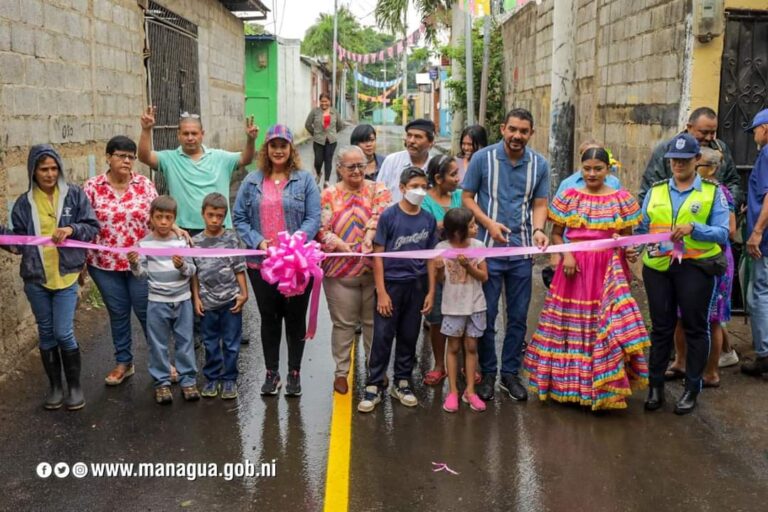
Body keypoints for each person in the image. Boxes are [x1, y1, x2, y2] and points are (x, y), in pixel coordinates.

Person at [524, 147, 650, 410]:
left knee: (605, 325)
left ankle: (602, 389)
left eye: (598, 169)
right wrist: (567, 253)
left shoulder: (621, 199)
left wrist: (626, 248)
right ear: (581, 170)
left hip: (608, 271)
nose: (592, 174)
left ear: (608, 169)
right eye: (587, 169)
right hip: (574, 269)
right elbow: (557, 234)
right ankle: (568, 386)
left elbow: (626, 238)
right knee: (568, 325)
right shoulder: (570, 197)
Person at [630, 133, 730, 415]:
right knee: (660, 327)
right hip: (659, 268)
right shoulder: (656, 190)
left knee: (695, 327)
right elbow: (642, 230)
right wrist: (630, 248)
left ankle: (692, 387)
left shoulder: (712, 192)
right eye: (674, 159)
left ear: (697, 160)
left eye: (685, 160)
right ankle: (656, 386)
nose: (678, 164)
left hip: (695, 268)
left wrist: (694, 229)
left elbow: (724, 233)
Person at [462, 108, 550, 402]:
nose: (517, 136)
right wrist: (487, 223)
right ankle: (488, 372)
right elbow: (466, 197)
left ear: (531, 133)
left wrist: (539, 230)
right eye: (512, 129)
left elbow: (540, 203)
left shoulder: (539, 164)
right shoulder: (482, 158)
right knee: (485, 314)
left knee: (518, 316)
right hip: (486, 251)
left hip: (522, 253)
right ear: (502, 128)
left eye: (523, 131)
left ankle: (510, 373)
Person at [7, 145, 99, 411]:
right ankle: (55, 388)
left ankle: (74, 387)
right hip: (36, 278)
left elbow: (92, 227)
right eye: (43, 169)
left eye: (53, 168)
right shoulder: (25, 203)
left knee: (63, 332)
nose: (49, 174)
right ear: (33, 171)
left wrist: (71, 229)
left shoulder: (74, 195)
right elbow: (19, 243)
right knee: (46, 334)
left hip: (66, 276)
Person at [233, 124, 321, 397]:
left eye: (283, 145)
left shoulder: (304, 180)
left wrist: (293, 244)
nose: (278, 150)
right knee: (269, 318)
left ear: (291, 149)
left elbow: (313, 217)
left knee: (295, 319)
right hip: (261, 264)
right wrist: (259, 242)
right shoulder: (252, 181)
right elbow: (239, 218)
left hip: (296, 263)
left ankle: (294, 372)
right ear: (267, 149)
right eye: (274, 145)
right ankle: (272, 373)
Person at [358, 167, 438, 413]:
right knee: (382, 336)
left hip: (416, 285)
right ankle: (374, 384)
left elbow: (431, 258)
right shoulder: (389, 217)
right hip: (391, 285)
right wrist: (381, 291)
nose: (419, 191)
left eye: (424, 187)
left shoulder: (428, 219)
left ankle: (402, 382)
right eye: (414, 186)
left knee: (409, 334)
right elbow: (378, 257)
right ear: (402, 188)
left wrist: (431, 291)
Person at [84, 135, 158, 386]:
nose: (127, 161)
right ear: (108, 157)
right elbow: (85, 224)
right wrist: (80, 261)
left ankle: (161, 362)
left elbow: (159, 217)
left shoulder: (144, 185)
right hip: (104, 264)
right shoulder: (92, 187)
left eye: (131, 157)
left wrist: (176, 230)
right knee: (117, 313)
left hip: (141, 263)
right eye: (121, 156)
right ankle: (123, 362)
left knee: (147, 311)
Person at [318, 146, 391, 394]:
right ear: (339, 168)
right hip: (340, 273)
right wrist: (338, 244)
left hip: (373, 272)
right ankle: (341, 372)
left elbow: (381, 216)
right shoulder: (328, 195)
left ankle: (375, 370)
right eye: (351, 167)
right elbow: (321, 229)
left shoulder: (377, 189)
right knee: (343, 325)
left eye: (361, 165)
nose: (357, 171)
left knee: (373, 324)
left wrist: (369, 237)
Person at [663, 148, 736, 388]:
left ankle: (711, 371)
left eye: (698, 164)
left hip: (709, 262)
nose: (687, 168)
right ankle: (680, 362)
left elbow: (729, 232)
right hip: (682, 261)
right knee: (680, 315)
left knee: (709, 319)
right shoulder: (675, 189)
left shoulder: (719, 193)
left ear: (711, 168)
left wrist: (695, 229)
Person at [138, 107, 258, 234]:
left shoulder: (221, 157)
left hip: (219, 229)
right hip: (183, 230)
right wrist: (146, 130)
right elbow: (144, 157)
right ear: (178, 135)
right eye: (185, 133)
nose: (190, 138)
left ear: (202, 134)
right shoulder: (169, 158)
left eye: (194, 133)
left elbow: (246, 159)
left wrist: (250, 140)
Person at [128, 196, 199, 405]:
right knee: (158, 344)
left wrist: (181, 267)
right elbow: (141, 274)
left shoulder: (182, 241)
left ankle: (188, 381)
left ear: (174, 219)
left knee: (185, 341)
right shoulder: (144, 243)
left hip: (183, 300)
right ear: (151, 218)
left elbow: (193, 270)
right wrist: (133, 264)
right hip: (157, 302)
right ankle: (162, 383)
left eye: (168, 218)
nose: (163, 222)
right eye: (159, 217)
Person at [191, 193, 248, 400]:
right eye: (211, 215)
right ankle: (212, 378)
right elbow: (194, 273)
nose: (215, 220)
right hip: (207, 303)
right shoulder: (195, 242)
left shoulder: (231, 238)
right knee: (210, 342)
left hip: (231, 301)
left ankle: (230, 379)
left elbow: (239, 268)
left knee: (231, 343)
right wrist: (196, 298)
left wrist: (244, 294)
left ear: (225, 217)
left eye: (220, 216)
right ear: (203, 214)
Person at [433, 207, 488, 413]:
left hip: (475, 305)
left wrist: (469, 267)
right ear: (457, 232)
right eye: (471, 226)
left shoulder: (478, 246)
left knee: (471, 347)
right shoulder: (441, 248)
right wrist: (438, 269)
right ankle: (453, 391)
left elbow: (484, 277)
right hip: (453, 306)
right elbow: (440, 281)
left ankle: (470, 391)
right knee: (453, 347)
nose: (475, 229)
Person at [638, 107, 742, 209]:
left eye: (712, 133)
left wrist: (727, 208)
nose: (709, 138)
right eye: (704, 132)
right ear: (689, 127)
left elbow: (733, 182)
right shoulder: (666, 150)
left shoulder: (721, 149)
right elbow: (649, 188)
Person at [420, 155, 463, 387]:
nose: (458, 179)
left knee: (462, 315)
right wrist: (457, 223)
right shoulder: (425, 201)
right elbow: (428, 228)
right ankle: (439, 365)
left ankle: (463, 364)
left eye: (458, 173)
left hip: (462, 269)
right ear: (438, 178)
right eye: (453, 174)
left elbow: (466, 225)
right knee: (436, 317)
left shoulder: (460, 196)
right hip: (436, 269)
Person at [743, 107, 768, 376]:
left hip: (766, 241)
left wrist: (757, 231)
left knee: (759, 294)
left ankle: (764, 354)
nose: (754, 137)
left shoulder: (767, 154)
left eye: (755, 131)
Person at [376, 119, 435, 202]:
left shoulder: (435, 166)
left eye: (418, 137)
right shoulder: (392, 161)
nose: (411, 141)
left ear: (431, 142)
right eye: (409, 135)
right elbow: (379, 193)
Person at [305, 93, 344, 185]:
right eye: (322, 101)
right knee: (318, 161)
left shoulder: (335, 112)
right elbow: (307, 124)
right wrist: (315, 134)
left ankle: (326, 181)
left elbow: (340, 125)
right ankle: (318, 173)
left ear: (329, 101)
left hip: (331, 141)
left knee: (328, 160)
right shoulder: (315, 111)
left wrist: (332, 134)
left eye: (326, 101)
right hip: (318, 140)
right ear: (320, 102)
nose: (324, 103)